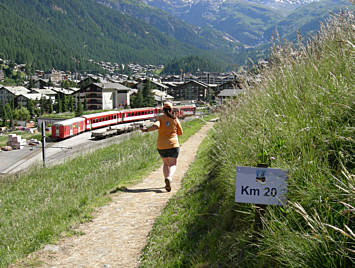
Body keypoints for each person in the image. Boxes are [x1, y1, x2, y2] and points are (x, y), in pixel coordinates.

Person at [141, 102, 183, 192]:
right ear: (171, 110)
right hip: (173, 145)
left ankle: (166, 181)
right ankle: (169, 178)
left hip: (161, 145)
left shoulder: (159, 118)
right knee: (173, 164)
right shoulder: (175, 119)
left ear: (163, 110)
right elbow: (180, 133)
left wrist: (146, 130)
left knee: (166, 164)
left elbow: (155, 126)